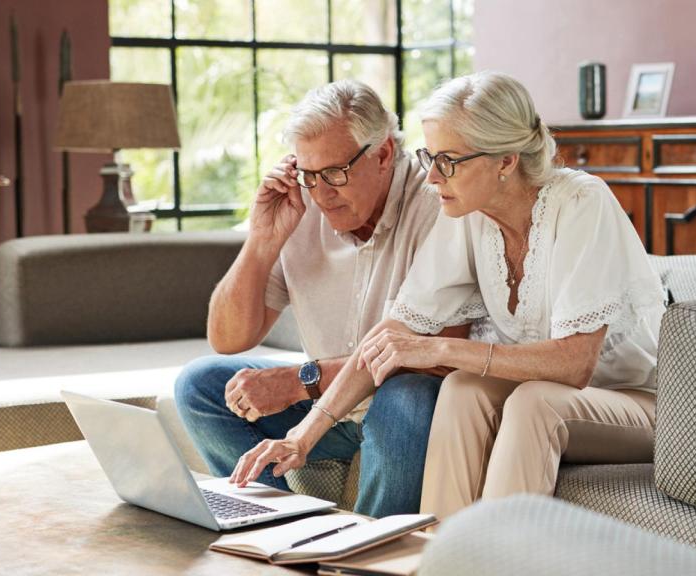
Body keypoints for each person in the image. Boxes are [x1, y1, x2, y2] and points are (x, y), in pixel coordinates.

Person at [228, 71, 665, 521]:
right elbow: (393, 333)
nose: (432, 176)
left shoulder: (581, 203)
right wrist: (303, 435)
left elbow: (575, 365)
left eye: (449, 161)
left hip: (637, 404)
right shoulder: (468, 214)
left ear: (506, 161)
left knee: (533, 403)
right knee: (463, 388)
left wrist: (439, 347)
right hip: (553, 395)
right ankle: (437, 556)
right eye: (429, 157)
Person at [174, 80, 463, 518]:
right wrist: (262, 239)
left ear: (383, 154)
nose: (321, 193)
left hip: (406, 413)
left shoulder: (436, 202)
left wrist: (299, 381)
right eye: (309, 175)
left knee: (409, 393)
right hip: (329, 408)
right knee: (201, 385)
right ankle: (280, 531)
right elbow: (228, 339)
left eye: (334, 173)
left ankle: (361, 555)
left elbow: (437, 350)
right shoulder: (303, 200)